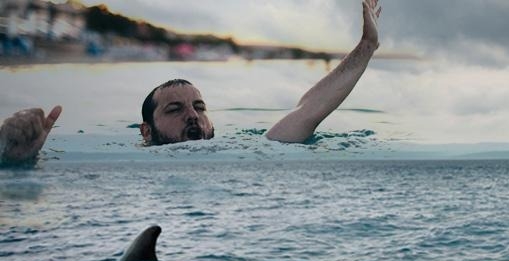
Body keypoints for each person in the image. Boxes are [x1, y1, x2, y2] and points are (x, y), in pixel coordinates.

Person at [0, 0, 383, 163]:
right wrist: (16, 158)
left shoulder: (240, 151)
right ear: (145, 133)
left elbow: (307, 111)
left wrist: (366, 46)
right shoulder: (133, 163)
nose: (193, 116)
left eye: (200, 107)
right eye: (176, 108)